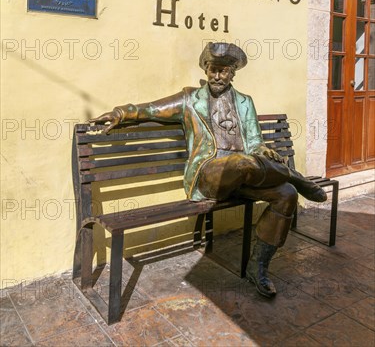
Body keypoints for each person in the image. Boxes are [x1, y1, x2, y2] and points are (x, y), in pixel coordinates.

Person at [90, 42, 327, 298]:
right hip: (208, 174)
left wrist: (263, 150)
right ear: (205, 69)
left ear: (232, 73)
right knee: (243, 163)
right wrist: (121, 112)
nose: (217, 76)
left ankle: (257, 267)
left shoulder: (245, 102)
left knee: (287, 194)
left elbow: (255, 141)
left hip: (245, 175)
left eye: (223, 71)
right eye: (213, 69)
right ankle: (294, 174)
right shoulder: (190, 99)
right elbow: (149, 109)